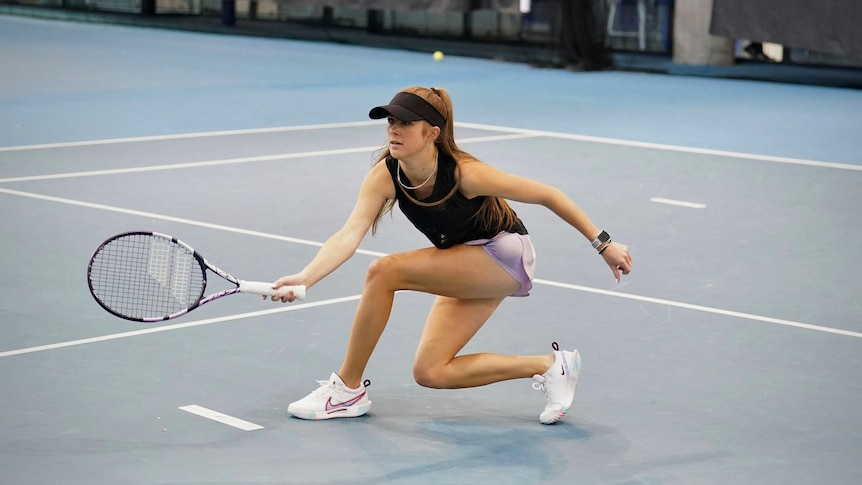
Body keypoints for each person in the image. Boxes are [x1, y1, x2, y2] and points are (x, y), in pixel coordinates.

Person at [270, 86, 632, 424]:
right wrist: (307, 276)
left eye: (406, 123)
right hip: (464, 259)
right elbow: (348, 235)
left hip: (503, 255)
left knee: (384, 271)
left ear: (432, 133)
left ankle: (347, 389)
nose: (394, 130)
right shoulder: (385, 175)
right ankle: (553, 366)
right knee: (431, 371)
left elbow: (547, 194)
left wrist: (603, 243)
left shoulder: (464, 174)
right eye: (391, 122)